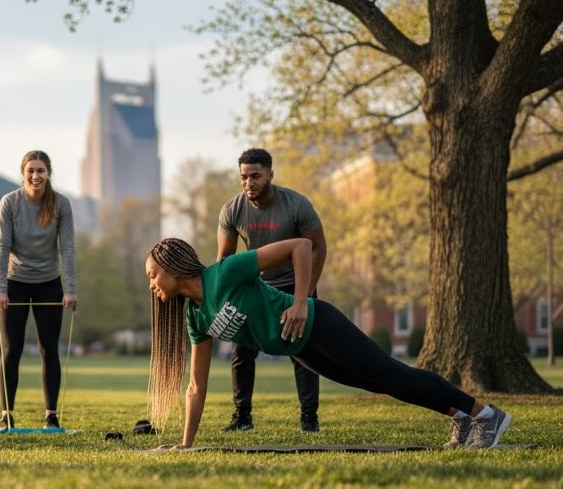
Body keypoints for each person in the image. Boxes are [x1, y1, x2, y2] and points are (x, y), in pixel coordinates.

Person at [145, 236, 512, 450]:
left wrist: (301, 302)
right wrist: (186, 445)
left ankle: (486, 414)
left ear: (173, 266)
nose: (152, 284)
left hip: (320, 325)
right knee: (381, 384)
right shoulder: (195, 316)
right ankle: (461, 418)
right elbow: (196, 385)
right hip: (302, 350)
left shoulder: (224, 273)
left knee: (392, 373)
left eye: (153, 274)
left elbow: (301, 246)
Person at [218, 147, 327, 432]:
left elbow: (318, 248)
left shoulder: (296, 204)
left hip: (294, 283)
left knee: (303, 353)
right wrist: (226, 299)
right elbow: (225, 262)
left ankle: (309, 419)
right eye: (243, 177)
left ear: (270, 175)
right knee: (242, 351)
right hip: (255, 286)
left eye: (255, 176)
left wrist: (303, 298)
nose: (248, 183)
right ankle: (242, 417)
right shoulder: (233, 209)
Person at [0, 150, 77, 431]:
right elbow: (2, 248)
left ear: (48, 173)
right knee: (11, 349)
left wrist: (70, 289)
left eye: (41, 170)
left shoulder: (61, 205)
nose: (36, 175)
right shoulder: (10, 203)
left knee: (48, 350)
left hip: (49, 282)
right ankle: (7, 414)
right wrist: (0, 289)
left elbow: (67, 249)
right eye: (31, 170)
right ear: (23, 173)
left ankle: (51, 414)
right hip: (15, 282)